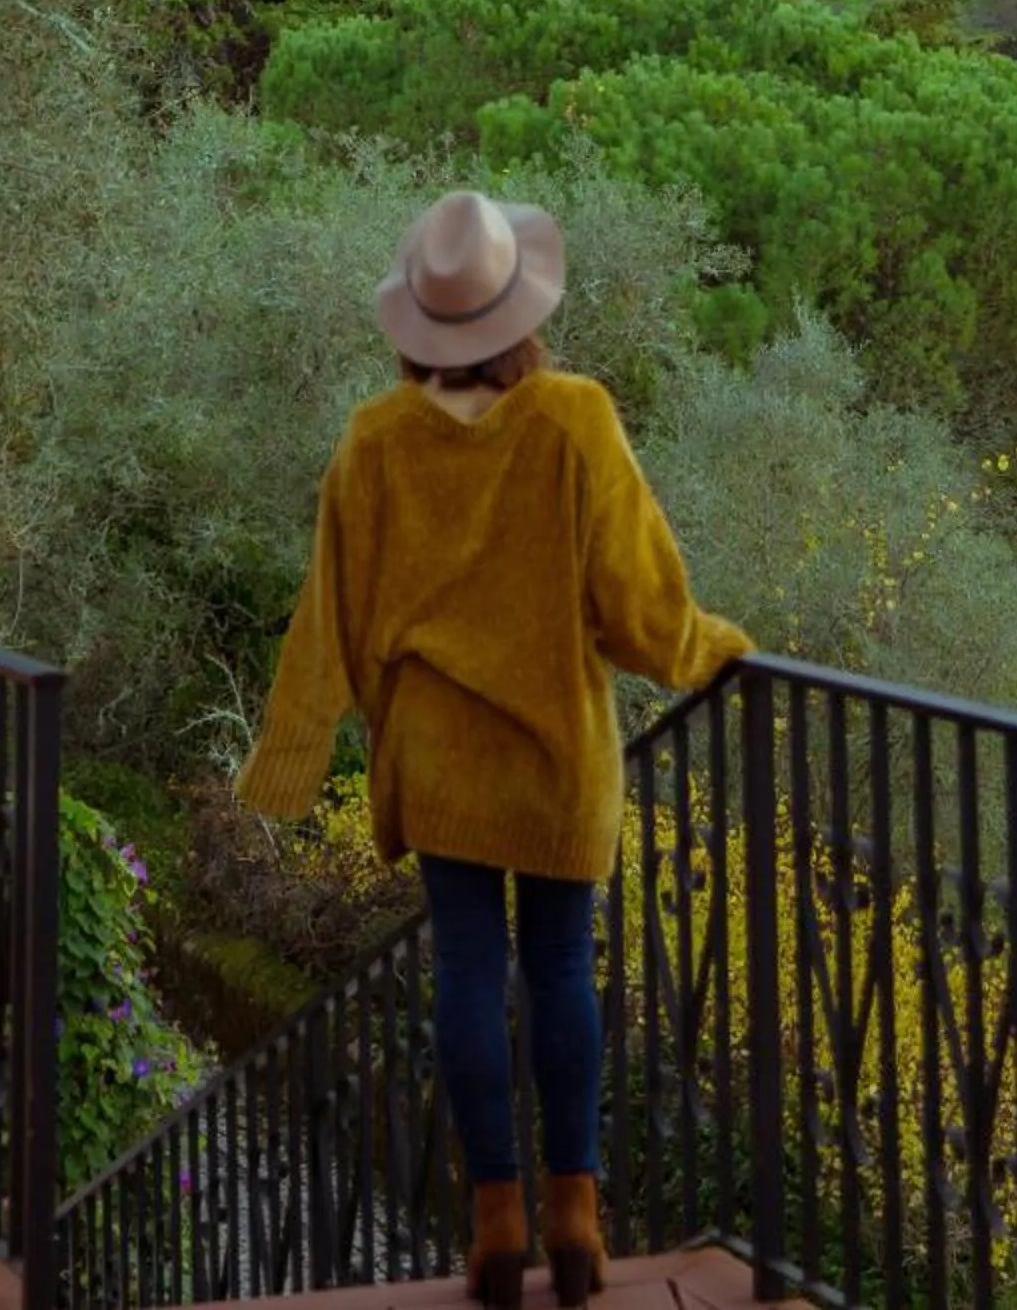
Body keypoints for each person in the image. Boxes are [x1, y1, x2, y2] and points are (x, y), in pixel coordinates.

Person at [237, 188, 750, 1308]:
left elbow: (328, 610)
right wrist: (711, 648)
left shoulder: (374, 440)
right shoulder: (573, 417)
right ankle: (577, 1211)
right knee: (562, 969)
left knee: (468, 973)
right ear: (520, 315)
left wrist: (294, 749)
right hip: (557, 752)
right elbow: (637, 610)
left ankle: (493, 1223)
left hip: (434, 756)